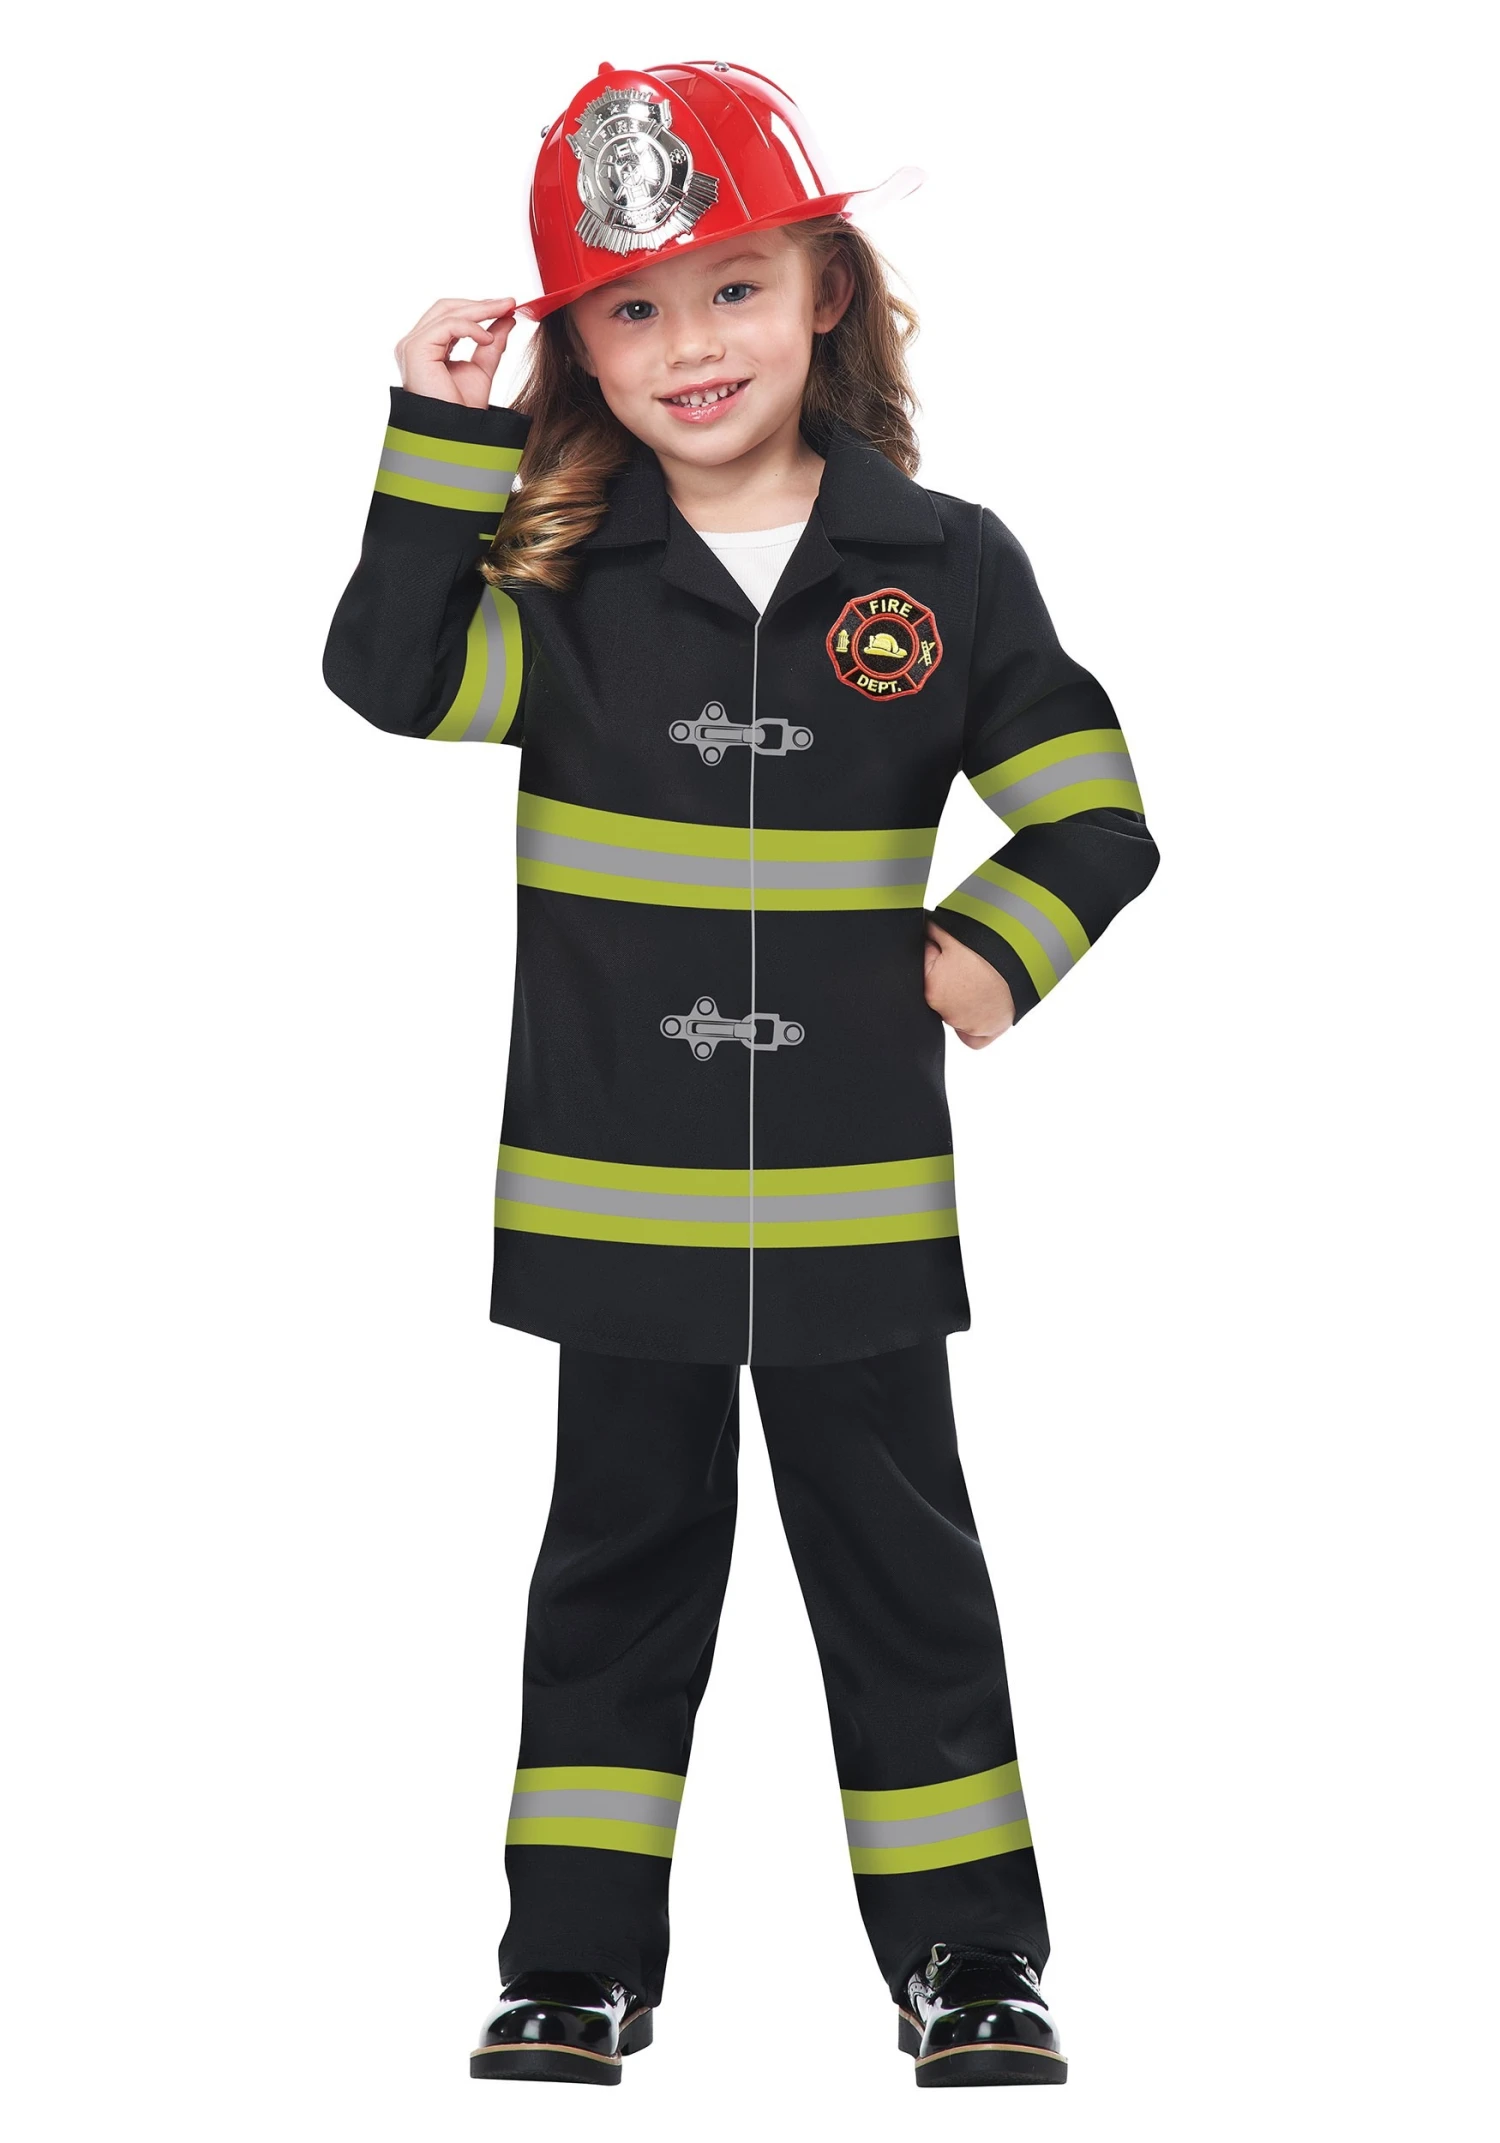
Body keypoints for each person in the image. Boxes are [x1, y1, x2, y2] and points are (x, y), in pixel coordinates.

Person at [323, 59, 1159, 2089]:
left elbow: (1094, 811)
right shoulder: (558, 585)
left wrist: (991, 948)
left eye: (733, 289)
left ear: (825, 294)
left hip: (858, 1196)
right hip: (618, 1188)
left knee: (905, 1582)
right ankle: (571, 1967)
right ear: (577, 346)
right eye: (631, 308)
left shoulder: (941, 563)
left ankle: (973, 1961)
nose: (689, 345)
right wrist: (437, 434)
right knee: (616, 1578)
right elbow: (389, 676)